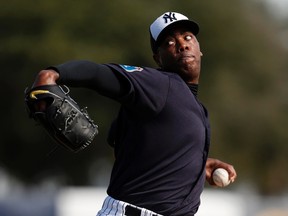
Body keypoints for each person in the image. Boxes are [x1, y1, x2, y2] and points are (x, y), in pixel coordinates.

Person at [31, 11, 237, 216]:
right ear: (158, 58)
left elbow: (134, 148)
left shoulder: (196, 108)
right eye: (168, 43)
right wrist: (54, 74)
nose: (182, 44)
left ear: (200, 49)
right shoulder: (159, 83)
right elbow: (99, 73)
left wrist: (197, 165)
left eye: (187, 37)